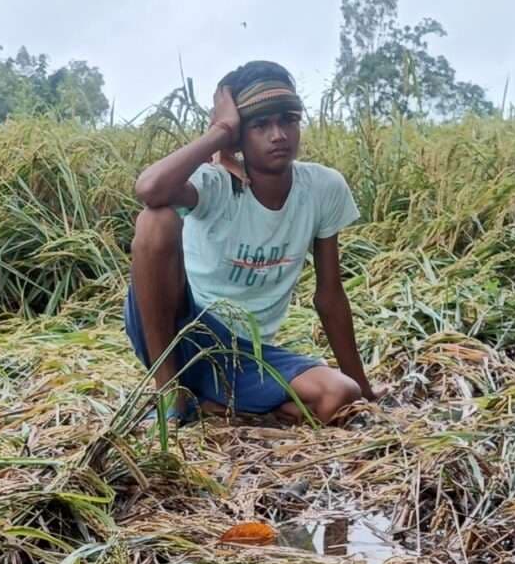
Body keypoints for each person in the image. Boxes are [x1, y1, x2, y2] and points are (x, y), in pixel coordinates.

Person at [128, 61, 373, 425]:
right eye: (260, 125)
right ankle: (171, 392)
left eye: (288, 120)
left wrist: (364, 390)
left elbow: (330, 296)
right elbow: (150, 189)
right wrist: (219, 131)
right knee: (156, 219)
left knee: (340, 396)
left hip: (248, 356)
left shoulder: (322, 188)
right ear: (239, 137)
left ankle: (215, 407)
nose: (278, 135)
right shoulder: (216, 184)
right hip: (181, 332)